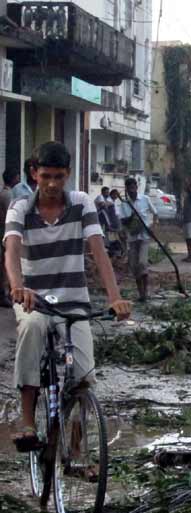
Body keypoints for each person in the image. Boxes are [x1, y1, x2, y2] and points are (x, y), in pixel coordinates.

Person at [3, 142, 132, 449]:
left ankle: (76, 452)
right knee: (32, 328)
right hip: (33, 300)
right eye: (46, 175)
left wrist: (115, 297)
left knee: (84, 376)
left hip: (75, 302)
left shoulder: (81, 202)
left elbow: (99, 252)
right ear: (34, 174)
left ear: (68, 175)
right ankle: (28, 422)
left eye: (58, 177)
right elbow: (11, 250)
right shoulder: (20, 207)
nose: (51, 183)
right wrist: (18, 287)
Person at [119, 177, 158, 302]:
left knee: (142, 263)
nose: (132, 191)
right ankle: (140, 294)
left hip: (144, 237)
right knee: (135, 266)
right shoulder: (124, 204)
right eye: (129, 189)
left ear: (136, 187)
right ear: (127, 189)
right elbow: (123, 221)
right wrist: (130, 218)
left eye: (133, 188)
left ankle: (145, 293)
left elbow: (155, 213)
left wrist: (152, 226)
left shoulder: (145, 199)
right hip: (132, 238)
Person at [0, 169, 15, 307]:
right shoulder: (8, 194)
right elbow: (10, 216)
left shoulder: (4, 192)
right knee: (6, 264)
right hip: (5, 232)